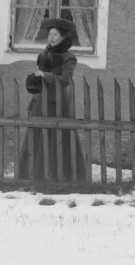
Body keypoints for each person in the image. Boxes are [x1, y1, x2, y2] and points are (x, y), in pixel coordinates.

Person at [16, 18, 88, 183]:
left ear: (63, 37)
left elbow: (65, 80)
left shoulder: (69, 57)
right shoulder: (44, 54)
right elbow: (42, 75)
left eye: (55, 35)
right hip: (41, 98)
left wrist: (45, 75)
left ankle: (59, 174)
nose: (51, 37)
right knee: (37, 131)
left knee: (58, 134)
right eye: (49, 34)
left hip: (57, 100)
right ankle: (34, 173)